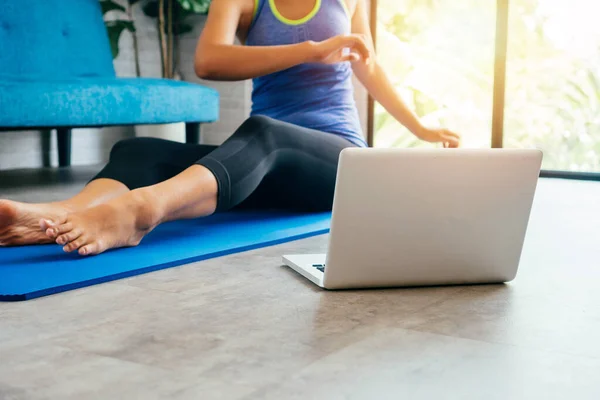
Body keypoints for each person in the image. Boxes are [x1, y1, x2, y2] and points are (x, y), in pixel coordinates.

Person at [0, 0, 460, 255]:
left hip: (336, 163)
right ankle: (59, 216)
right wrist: (310, 49)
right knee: (139, 149)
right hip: (258, 168)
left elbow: (370, 68)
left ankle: (139, 212)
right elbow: (210, 59)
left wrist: (420, 128)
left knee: (265, 133)